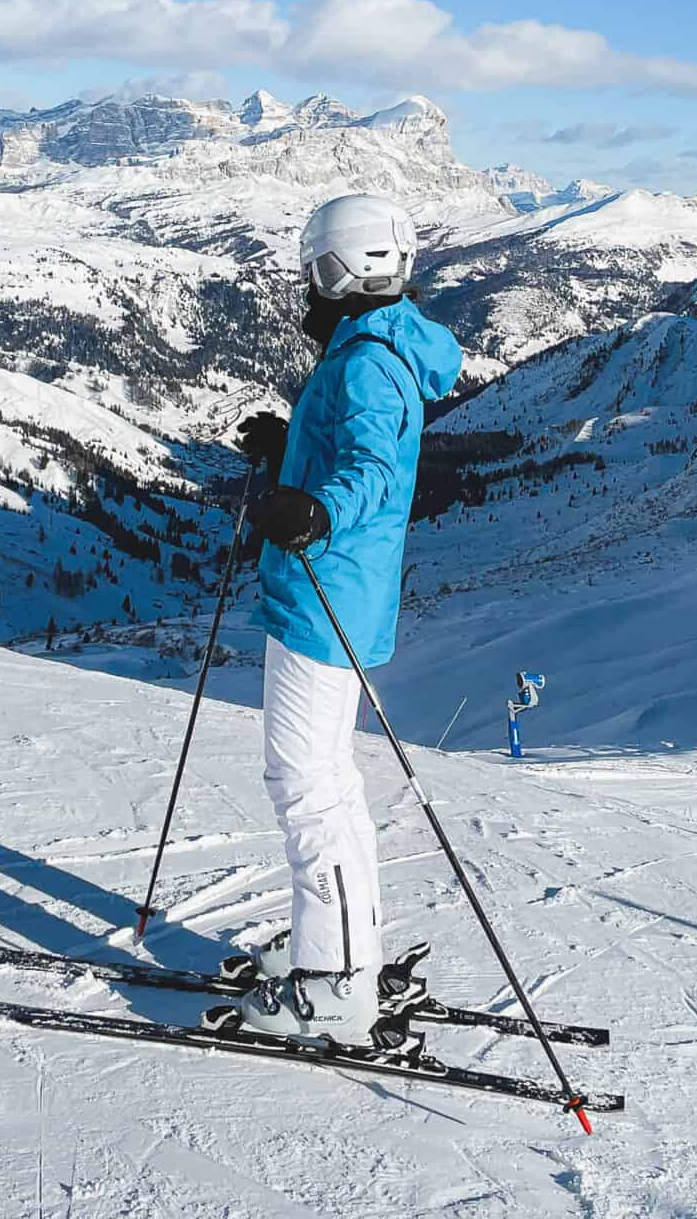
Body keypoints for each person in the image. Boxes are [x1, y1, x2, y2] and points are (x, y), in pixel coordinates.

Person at [217, 193, 460, 1045]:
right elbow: (348, 450)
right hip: (330, 589)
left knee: (307, 788)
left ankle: (337, 984)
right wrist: (287, 448)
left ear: (338, 270)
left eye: (311, 274)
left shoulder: (366, 362)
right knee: (325, 781)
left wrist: (315, 512)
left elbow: (374, 469)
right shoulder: (373, 346)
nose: (304, 294)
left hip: (328, 596)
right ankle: (334, 943)